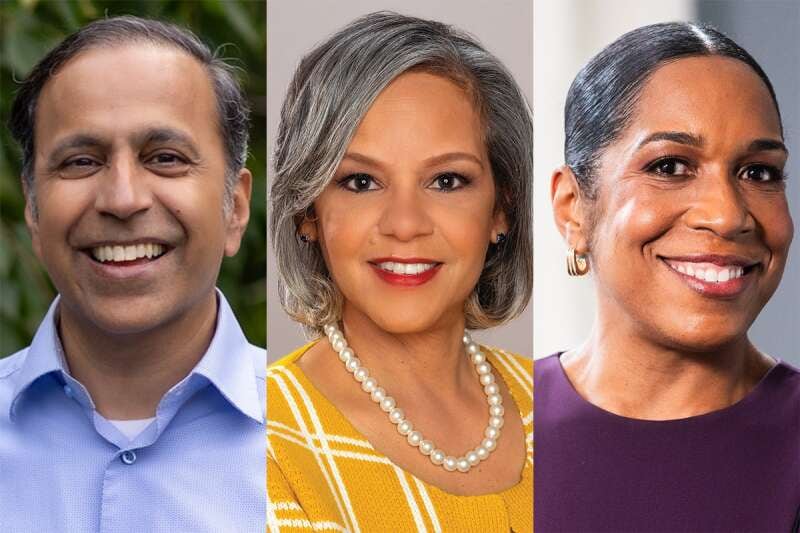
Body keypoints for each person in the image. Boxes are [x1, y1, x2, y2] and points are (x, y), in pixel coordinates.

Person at [267, 12, 532, 532]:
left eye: (447, 181)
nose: (405, 225)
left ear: (501, 209)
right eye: (362, 182)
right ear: (307, 213)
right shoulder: (267, 438)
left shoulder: (556, 406)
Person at [0, 16, 265, 531]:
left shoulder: (341, 445)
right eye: (80, 162)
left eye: (165, 158)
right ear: (33, 212)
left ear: (234, 207)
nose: (123, 199)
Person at [537, 22, 799, 531]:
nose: (726, 215)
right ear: (572, 209)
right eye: (670, 166)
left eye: (758, 172)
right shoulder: (480, 434)